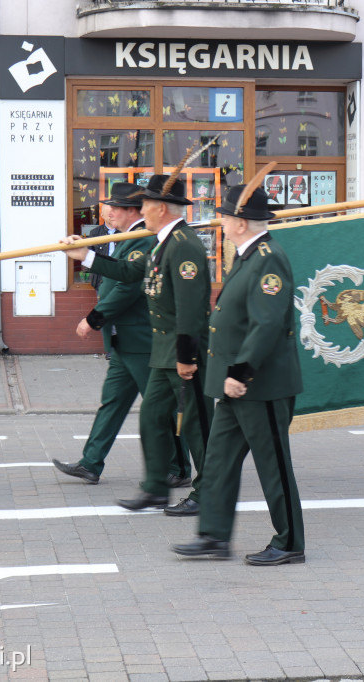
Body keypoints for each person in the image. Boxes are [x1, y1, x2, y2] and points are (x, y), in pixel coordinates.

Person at [61, 174, 213, 515]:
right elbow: (130, 272)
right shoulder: (161, 242)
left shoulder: (184, 244)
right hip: (161, 351)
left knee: (195, 424)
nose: (140, 210)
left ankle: (208, 493)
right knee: (152, 417)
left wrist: (187, 355)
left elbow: (190, 307)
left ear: (160, 208)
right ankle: (157, 488)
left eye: (144, 204)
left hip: (181, 351)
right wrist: (84, 256)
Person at [171, 182, 305, 566]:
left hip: (259, 385)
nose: (221, 223)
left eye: (225, 217)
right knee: (218, 460)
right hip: (234, 384)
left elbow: (267, 324)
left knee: (273, 464)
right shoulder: (247, 255)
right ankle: (213, 535)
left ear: (242, 222)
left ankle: (290, 541)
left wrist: (242, 372)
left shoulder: (268, 258)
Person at [52, 183, 158, 485]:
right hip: (122, 339)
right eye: (108, 205)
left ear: (134, 211)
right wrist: (80, 248)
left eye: (116, 206)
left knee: (160, 407)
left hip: (141, 338)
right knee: (112, 402)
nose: (108, 210)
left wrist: (94, 318)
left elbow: (127, 283)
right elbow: (109, 263)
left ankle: (178, 468)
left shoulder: (143, 240)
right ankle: (91, 462)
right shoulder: (122, 237)